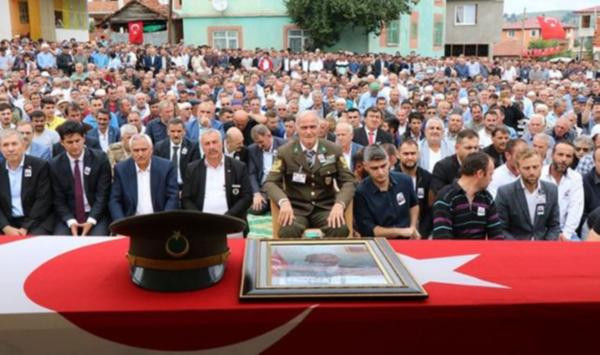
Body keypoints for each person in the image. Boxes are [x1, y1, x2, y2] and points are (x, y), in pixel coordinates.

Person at [263, 110, 355, 238]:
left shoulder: (333, 149)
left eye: (312, 127)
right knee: (288, 231)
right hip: (296, 209)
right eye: (304, 127)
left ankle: (327, 258)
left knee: (339, 229)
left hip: (325, 208)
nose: (308, 132)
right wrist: (283, 201)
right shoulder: (285, 152)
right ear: (296, 128)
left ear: (319, 127)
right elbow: (270, 182)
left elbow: (349, 181)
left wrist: (340, 204)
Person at [182, 129, 252, 232]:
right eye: (207, 144)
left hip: (232, 222)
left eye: (215, 142)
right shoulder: (192, 169)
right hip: (201, 224)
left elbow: (247, 197)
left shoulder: (239, 167)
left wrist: (228, 217)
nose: (211, 147)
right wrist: (200, 218)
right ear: (202, 147)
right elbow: (186, 199)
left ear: (222, 143)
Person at [49, 121, 111, 236]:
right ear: (62, 143)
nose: (75, 146)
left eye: (77, 141)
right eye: (69, 142)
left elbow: (103, 194)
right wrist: (70, 220)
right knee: (60, 242)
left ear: (84, 139)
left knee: (96, 242)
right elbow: (58, 198)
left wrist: (92, 220)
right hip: (68, 215)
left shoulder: (100, 159)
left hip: (95, 213)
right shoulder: (54, 165)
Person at [432, 152, 503, 240]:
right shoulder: (445, 197)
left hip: (481, 252)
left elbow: (497, 236)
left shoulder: (487, 198)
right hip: (453, 252)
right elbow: (442, 237)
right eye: (490, 174)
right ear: (480, 173)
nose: (491, 179)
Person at [354, 144, 419, 238]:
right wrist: (399, 231)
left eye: (383, 166)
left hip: (407, 240)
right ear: (366, 166)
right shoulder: (361, 192)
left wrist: (413, 227)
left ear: (389, 161)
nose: (380, 172)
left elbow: (414, 204)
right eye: (374, 168)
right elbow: (369, 229)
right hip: (378, 244)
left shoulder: (405, 181)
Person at [109, 134, 179, 220]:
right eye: (136, 150)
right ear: (131, 151)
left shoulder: (166, 167)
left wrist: (164, 220)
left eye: (144, 149)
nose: (140, 154)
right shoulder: (121, 169)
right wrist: (121, 223)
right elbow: (115, 200)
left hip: (159, 219)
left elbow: (173, 196)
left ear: (151, 150)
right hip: (131, 221)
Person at [496, 149, 561, 240]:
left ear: (541, 166)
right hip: (516, 248)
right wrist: (519, 249)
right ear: (518, 169)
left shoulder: (551, 190)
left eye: (535, 167)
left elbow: (554, 225)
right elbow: (501, 228)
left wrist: (546, 246)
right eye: (527, 168)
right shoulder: (505, 192)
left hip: (543, 247)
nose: (531, 172)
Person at [0, 129, 54, 235]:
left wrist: (25, 228)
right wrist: (5, 227)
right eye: (5, 145)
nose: (10, 149)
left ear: (23, 146)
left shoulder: (40, 166)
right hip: (7, 222)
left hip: (36, 221)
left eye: (14, 144)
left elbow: (43, 200)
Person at [540, 141, 584, 241]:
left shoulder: (576, 178)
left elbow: (576, 208)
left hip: (565, 230)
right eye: (560, 154)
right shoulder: (539, 173)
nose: (564, 159)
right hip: (540, 230)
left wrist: (566, 235)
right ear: (552, 155)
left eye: (568, 156)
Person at [397, 139, 434, 237]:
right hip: (398, 233)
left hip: (422, 233)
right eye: (405, 154)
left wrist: (423, 233)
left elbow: (430, 209)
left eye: (413, 153)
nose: (410, 157)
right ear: (398, 155)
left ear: (418, 154)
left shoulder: (427, 178)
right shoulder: (391, 178)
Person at [247, 124, 286, 215]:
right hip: (263, 189)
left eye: (261, 142)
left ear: (269, 135)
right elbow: (251, 173)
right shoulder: (252, 149)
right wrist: (256, 193)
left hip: (280, 188)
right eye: (257, 143)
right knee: (255, 209)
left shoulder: (284, 145)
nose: (259, 145)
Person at [153, 118, 200, 188]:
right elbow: (156, 171)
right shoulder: (159, 147)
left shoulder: (192, 146)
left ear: (184, 132)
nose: (176, 135)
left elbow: (195, 171)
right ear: (167, 132)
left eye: (179, 131)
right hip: (165, 186)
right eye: (172, 131)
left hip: (186, 186)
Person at [430, 129, 479, 194]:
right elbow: (439, 195)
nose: (473, 151)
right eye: (468, 148)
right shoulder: (442, 167)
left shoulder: (481, 165)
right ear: (457, 148)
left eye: (476, 148)